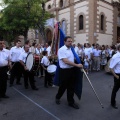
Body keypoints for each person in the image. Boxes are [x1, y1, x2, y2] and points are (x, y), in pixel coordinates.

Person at [55, 36, 83, 109]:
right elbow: (66, 61)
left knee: (71, 87)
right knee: (63, 87)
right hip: (64, 71)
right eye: (68, 41)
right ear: (64, 42)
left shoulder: (71, 49)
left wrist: (78, 61)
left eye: (71, 41)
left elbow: (72, 59)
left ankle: (71, 102)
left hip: (72, 70)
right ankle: (57, 97)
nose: (70, 42)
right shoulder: (61, 50)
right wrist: (77, 65)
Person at [109, 44, 120, 109]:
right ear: (119, 49)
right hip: (118, 76)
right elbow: (111, 68)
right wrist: (116, 76)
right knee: (115, 90)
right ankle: (112, 103)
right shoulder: (115, 57)